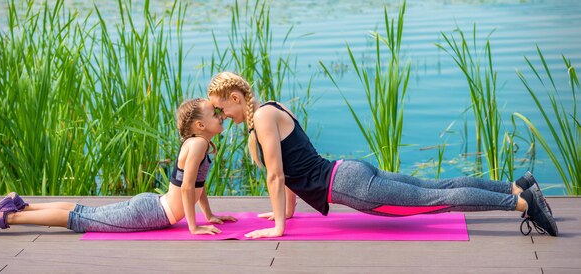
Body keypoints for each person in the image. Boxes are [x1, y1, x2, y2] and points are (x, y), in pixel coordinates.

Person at [207, 71, 558, 239]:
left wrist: (279, 229)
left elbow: (276, 175)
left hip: (351, 187)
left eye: (222, 110)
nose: (223, 118)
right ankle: (515, 186)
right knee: (438, 185)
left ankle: (524, 204)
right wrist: (283, 211)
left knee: (437, 199)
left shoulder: (262, 119)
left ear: (236, 98)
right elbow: (292, 167)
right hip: (348, 170)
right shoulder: (270, 108)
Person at [0, 98, 237, 235]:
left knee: (83, 212)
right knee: (78, 219)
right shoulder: (199, 145)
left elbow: (198, 187)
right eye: (215, 114)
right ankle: (6, 217)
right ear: (200, 126)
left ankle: (20, 204)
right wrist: (194, 226)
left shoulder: (199, 144)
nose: (220, 115)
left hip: (152, 206)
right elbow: (188, 186)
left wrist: (209, 215)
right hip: (151, 213)